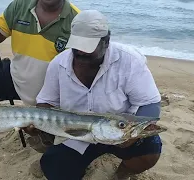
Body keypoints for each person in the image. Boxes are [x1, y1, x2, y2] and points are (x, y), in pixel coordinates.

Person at [24, 9, 163, 180]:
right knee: (54, 167)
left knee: (150, 151)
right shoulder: (58, 64)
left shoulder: (130, 61)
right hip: (78, 134)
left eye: (88, 48)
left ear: (106, 41)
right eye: (77, 46)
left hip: (120, 131)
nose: (81, 52)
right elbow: (46, 103)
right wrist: (38, 124)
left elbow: (150, 104)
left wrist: (131, 137)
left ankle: (121, 174)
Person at [0, 0, 80, 146]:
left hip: (51, 94)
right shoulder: (19, 6)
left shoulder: (76, 20)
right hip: (16, 76)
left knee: (49, 149)